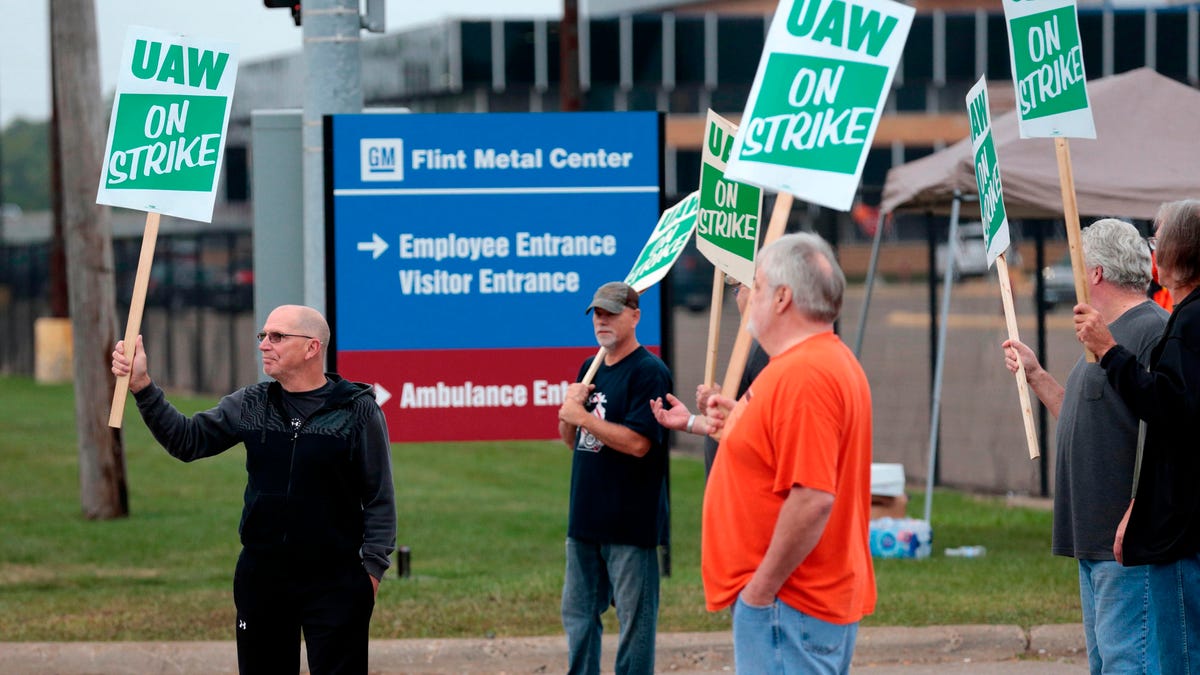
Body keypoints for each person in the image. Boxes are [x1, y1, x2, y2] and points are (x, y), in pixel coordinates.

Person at [111, 304, 396, 675]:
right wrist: (142, 386)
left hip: (336, 581)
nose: (264, 344)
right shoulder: (251, 404)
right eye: (263, 335)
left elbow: (379, 498)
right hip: (263, 579)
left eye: (277, 337)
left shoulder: (359, 412)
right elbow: (187, 441)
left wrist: (371, 572)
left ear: (312, 348)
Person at [702, 232, 874, 674]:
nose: (748, 298)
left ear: (782, 298)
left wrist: (761, 590)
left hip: (788, 603)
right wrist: (737, 420)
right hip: (792, 604)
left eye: (755, 287)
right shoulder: (812, 363)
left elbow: (813, 498)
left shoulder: (805, 375)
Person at [1002, 219, 1167, 674]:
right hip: (1093, 542)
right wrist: (1036, 376)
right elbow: (1087, 417)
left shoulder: (1153, 331)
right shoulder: (1102, 336)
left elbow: (1169, 430)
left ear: (1094, 272)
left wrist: (1139, 507)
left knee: (1128, 664)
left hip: (1125, 546)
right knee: (1106, 664)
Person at [1076, 200, 1200, 674]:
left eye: (1157, 240)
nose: (1152, 253)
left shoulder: (1178, 324)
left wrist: (1110, 351)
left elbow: (1169, 412)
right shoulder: (1183, 318)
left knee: (1170, 659)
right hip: (1149, 526)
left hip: (1171, 529)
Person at [556, 281, 673, 675]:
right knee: (578, 618)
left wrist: (585, 417)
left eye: (611, 313)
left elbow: (640, 443)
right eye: (598, 314)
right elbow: (574, 442)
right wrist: (568, 414)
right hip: (585, 519)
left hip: (630, 522)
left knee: (634, 625)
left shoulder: (649, 372)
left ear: (635, 316)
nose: (602, 321)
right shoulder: (588, 370)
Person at [650, 281, 768, 479]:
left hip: (746, 490)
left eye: (738, 289)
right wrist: (691, 421)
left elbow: (765, 428)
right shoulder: (754, 346)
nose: (736, 297)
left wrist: (719, 402)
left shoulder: (763, 350)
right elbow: (741, 415)